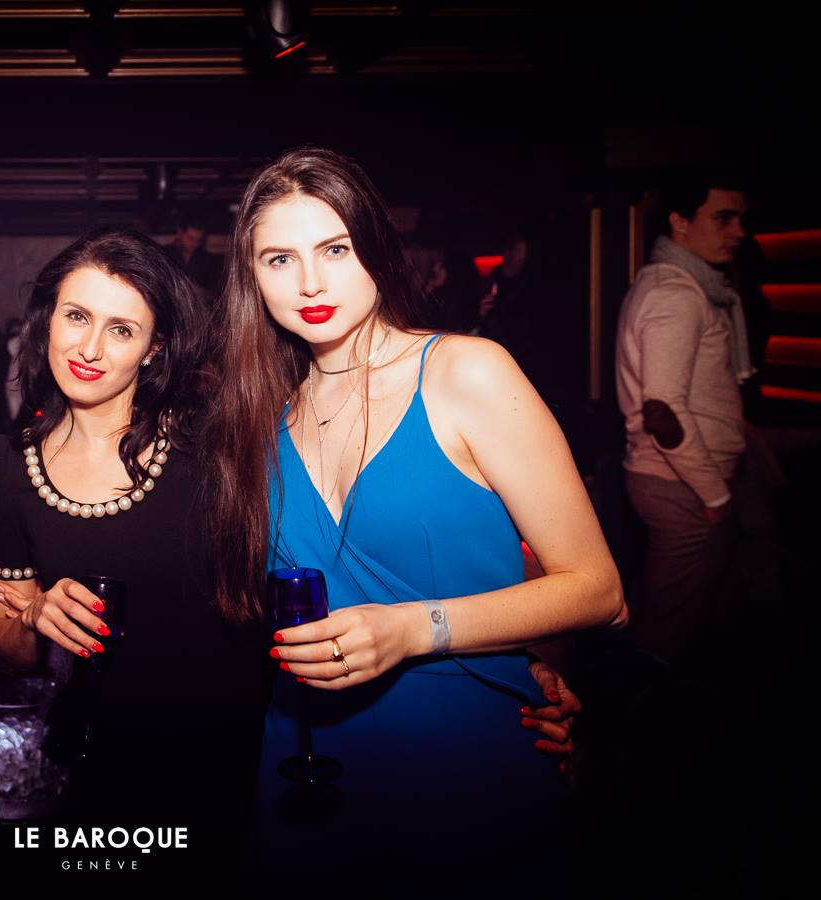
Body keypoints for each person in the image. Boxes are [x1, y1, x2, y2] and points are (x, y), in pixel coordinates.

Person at [205, 148, 625, 893]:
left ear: (376, 246)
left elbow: (597, 589)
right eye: (280, 259)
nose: (309, 282)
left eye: (335, 249)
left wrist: (417, 629)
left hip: (465, 766)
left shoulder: (467, 372)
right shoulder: (261, 419)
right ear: (253, 278)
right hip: (307, 763)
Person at [0, 229, 272, 889]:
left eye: (121, 330)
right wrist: (33, 616)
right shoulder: (10, 472)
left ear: (153, 348)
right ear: (47, 320)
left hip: (224, 761)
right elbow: (4, 645)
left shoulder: (212, 450)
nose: (89, 348)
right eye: (76, 316)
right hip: (94, 770)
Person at [616, 176, 753, 674]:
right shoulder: (676, 293)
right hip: (682, 483)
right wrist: (715, 496)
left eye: (740, 218)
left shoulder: (688, 285)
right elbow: (662, 411)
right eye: (723, 218)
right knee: (667, 629)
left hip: (682, 478)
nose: (738, 231)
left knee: (684, 613)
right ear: (679, 220)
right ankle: (642, 714)